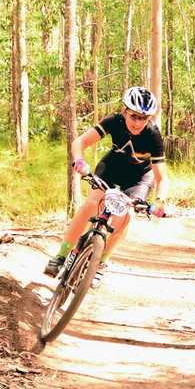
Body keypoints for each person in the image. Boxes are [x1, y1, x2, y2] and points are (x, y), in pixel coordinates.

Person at [44, 86, 169, 277]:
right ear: (124, 111)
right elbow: (79, 143)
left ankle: (99, 263)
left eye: (143, 118)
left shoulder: (153, 135)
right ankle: (61, 255)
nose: (138, 123)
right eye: (134, 116)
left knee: (126, 216)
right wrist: (79, 161)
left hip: (139, 178)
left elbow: (161, 177)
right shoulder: (114, 121)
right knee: (91, 204)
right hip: (112, 167)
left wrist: (160, 200)